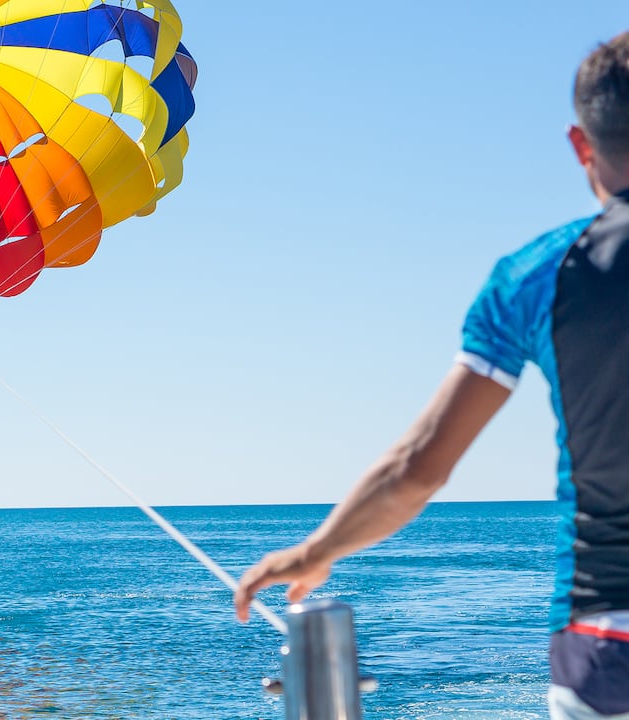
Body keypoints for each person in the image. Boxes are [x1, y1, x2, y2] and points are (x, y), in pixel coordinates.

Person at [233, 32, 629, 720]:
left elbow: (419, 468)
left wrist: (315, 550)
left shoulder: (534, 278)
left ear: (579, 144)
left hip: (605, 642)